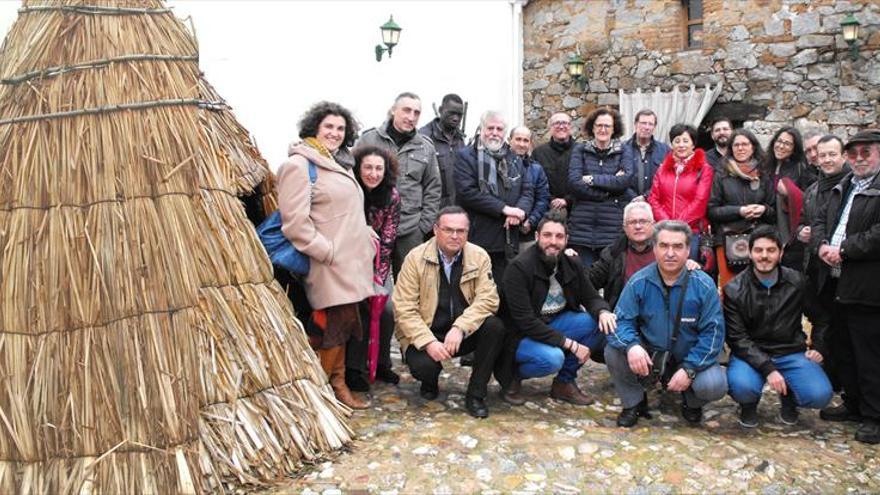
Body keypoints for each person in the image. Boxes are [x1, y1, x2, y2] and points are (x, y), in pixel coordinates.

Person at [278, 101, 376, 409]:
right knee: (334, 324)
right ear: (314, 129)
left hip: (352, 262)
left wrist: (365, 232)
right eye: (328, 127)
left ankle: (338, 385)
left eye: (340, 128)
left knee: (344, 325)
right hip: (329, 264)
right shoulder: (299, 165)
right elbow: (294, 222)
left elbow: (344, 210)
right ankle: (324, 394)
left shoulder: (338, 162)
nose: (335, 133)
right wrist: (327, 251)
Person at [607, 220, 727, 427]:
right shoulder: (639, 282)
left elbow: (713, 335)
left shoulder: (704, 285)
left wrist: (690, 368)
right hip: (651, 356)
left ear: (688, 249)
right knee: (613, 351)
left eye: (677, 246)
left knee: (714, 385)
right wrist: (632, 346)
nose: (670, 253)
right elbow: (620, 322)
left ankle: (692, 402)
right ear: (654, 248)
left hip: (688, 356)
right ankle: (634, 402)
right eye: (664, 246)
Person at [392, 207, 506, 418]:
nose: (455, 236)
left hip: (462, 331)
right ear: (436, 230)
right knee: (423, 366)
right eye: (448, 230)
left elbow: (488, 299)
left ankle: (476, 394)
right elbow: (404, 309)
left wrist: (460, 327)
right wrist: (428, 342)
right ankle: (430, 380)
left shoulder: (479, 256)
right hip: (428, 330)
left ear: (467, 232)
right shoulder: (414, 259)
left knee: (494, 327)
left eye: (461, 231)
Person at [501, 210, 617, 406]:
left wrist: (604, 312)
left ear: (566, 240)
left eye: (559, 236)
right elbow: (525, 322)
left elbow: (590, 296)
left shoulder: (571, 262)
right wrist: (570, 344)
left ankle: (564, 383)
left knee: (599, 322)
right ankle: (512, 376)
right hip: (520, 334)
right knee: (552, 358)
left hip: (555, 322)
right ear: (537, 237)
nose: (553, 241)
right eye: (547, 235)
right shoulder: (519, 268)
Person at [724, 227, 832, 428]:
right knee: (742, 387)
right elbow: (737, 338)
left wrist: (818, 346)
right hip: (750, 353)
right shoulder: (734, 289)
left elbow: (822, 318)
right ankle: (748, 404)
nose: (764, 256)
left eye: (771, 250)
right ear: (749, 252)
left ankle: (789, 396)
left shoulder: (798, 282)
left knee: (820, 395)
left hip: (790, 350)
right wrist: (768, 369)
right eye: (758, 250)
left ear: (780, 253)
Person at [812, 129, 880, 445]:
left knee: (870, 354)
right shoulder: (846, 185)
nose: (858, 159)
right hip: (835, 280)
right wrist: (823, 244)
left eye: (865, 152)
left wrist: (846, 249)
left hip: (867, 286)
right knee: (844, 348)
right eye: (853, 154)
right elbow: (823, 219)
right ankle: (853, 404)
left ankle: (874, 416)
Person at [358, 92, 442, 277]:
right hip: (373, 228)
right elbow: (353, 181)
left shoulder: (425, 147)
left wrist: (424, 226)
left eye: (416, 112)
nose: (411, 117)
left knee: (411, 284)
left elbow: (433, 188)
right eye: (406, 110)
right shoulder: (369, 140)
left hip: (410, 230)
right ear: (393, 110)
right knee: (367, 284)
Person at [344, 146, 402, 392]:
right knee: (359, 310)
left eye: (379, 168)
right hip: (347, 262)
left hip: (377, 263)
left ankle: (381, 363)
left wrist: (377, 280)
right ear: (358, 168)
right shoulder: (350, 191)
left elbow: (388, 238)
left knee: (386, 309)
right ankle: (353, 368)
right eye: (368, 167)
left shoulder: (392, 196)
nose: (373, 173)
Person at [796, 135, 849, 394]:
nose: (825, 159)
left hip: (848, 269)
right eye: (820, 154)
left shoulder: (853, 185)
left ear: (843, 156)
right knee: (829, 322)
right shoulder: (813, 190)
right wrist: (802, 233)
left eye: (831, 154)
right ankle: (835, 381)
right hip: (819, 268)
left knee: (849, 330)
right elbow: (805, 222)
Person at [454, 111, 533, 282]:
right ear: (481, 129)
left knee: (506, 291)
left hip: (509, 238)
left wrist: (519, 212)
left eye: (499, 129)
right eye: (490, 128)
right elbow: (468, 193)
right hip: (479, 236)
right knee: (479, 290)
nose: (495, 133)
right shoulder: (466, 156)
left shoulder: (514, 158)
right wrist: (505, 209)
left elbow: (527, 190)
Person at [708, 129, 776, 287]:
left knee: (759, 288)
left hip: (758, 241)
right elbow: (712, 210)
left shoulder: (763, 173)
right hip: (728, 241)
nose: (740, 148)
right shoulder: (721, 174)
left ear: (753, 147)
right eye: (736, 145)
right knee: (731, 289)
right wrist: (739, 211)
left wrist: (763, 210)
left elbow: (773, 213)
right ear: (731, 148)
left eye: (745, 144)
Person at [567, 107, 632, 268]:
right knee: (584, 283)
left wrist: (592, 179)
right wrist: (607, 191)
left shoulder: (624, 150)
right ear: (592, 127)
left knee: (611, 283)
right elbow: (574, 183)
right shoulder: (580, 150)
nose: (602, 129)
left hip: (611, 232)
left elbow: (624, 182)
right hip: (581, 229)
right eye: (599, 125)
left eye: (607, 126)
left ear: (614, 129)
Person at [647, 124, 714, 260]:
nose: (681, 145)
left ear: (693, 144)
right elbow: (653, 198)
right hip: (664, 232)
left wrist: (678, 225)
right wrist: (667, 223)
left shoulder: (704, 169)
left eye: (685, 141)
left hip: (691, 232)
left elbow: (700, 201)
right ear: (671, 144)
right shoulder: (662, 169)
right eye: (677, 141)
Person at [764, 126, 816, 270]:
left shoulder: (801, 168)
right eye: (779, 141)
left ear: (794, 148)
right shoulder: (766, 166)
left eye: (787, 144)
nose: (781, 146)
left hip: (790, 232)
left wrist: (790, 192)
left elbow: (809, 199)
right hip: (767, 227)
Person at [419, 94, 466, 207]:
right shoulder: (424, 137)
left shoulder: (460, 139)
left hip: (457, 209)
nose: (456, 118)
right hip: (432, 210)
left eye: (459, 115)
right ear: (440, 110)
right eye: (452, 113)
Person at [509, 125, 550, 248]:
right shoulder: (500, 164)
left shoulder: (536, 169)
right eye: (518, 139)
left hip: (526, 233)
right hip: (500, 232)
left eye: (525, 140)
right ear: (509, 140)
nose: (521, 144)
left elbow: (542, 199)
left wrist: (531, 221)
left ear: (530, 144)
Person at [621, 109, 670, 199]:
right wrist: (633, 198)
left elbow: (667, 180)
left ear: (654, 127)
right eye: (643, 123)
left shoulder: (665, 150)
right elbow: (618, 179)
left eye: (650, 124)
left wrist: (646, 197)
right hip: (627, 203)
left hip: (655, 203)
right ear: (636, 124)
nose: (647, 127)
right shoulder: (622, 149)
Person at [532, 112, 575, 213]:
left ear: (570, 127)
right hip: (546, 210)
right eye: (557, 123)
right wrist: (550, 200)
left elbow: (585, 182)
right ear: (550, 128)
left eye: (565, 123)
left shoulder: (581, 151)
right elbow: (534, 183)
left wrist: (567, 200)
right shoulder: (538, 153)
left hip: (576, 211)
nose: (561, 126)